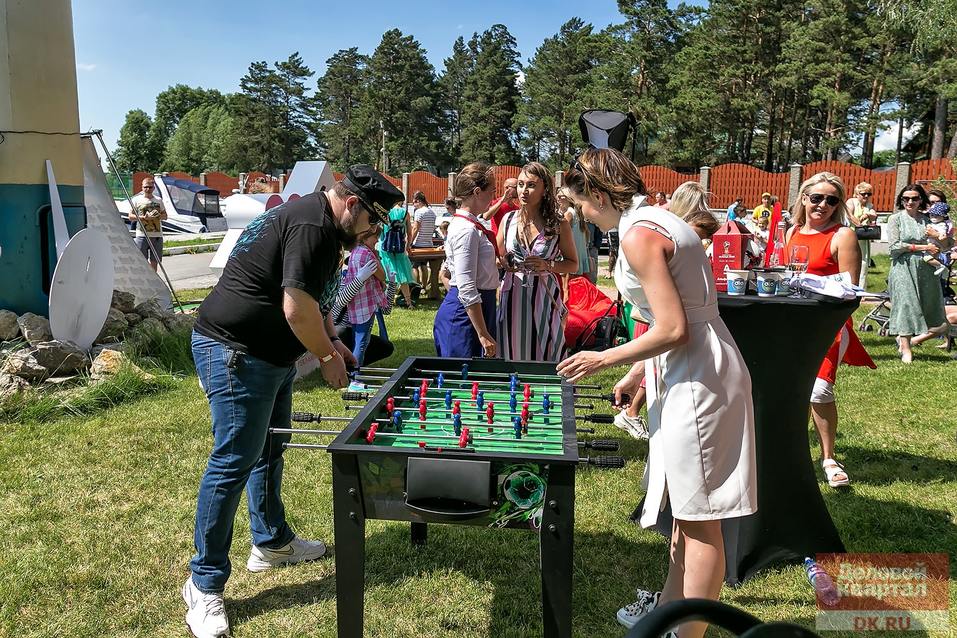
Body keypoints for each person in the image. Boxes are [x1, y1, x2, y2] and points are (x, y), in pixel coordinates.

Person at [185, 165, 400, 638]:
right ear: (352, 204)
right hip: (235, 350)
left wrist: (334, 341)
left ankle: (271, 542)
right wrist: (325, 355)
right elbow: (293, 308)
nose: (374, 232)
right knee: (233, 461)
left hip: (271, 354)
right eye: (373, 221)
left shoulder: (325, 227)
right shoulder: (311, 225)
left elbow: (315, 301)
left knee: (269, 449)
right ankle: (203, 584)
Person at [557, 149, 756, 638]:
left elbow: (672, 327)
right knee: (684, 511)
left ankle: (688, 634)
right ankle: (669, 613)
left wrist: (604, 358)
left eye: (580, 204)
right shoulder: (654, 218)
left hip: (698, 379)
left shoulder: (639, 234)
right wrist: (639, 375)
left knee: (701, 518)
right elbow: (667, 319)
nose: (580, 214)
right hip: (690, 368)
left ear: (600, 195)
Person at [613, 181, 720, 441]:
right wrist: (630, 371)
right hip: (667, 334)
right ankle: (634, 414)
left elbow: (672, 331)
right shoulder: (655, 235)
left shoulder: (664, 235)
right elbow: (668, 331)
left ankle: (636, 414)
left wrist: (605, 361)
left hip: (689, 356)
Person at [785, 172, 873, 489]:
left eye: (832, 199)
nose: (823, 204)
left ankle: (829, 457)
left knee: (819, 389)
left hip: (829, 326)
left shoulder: (843, 236)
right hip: (791, 324)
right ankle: (789, 454)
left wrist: (816, 287)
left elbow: (851, 291)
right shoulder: (791, 232)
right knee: (789, 391)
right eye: (817, 197)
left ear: (838, 204)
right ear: (804, 198)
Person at [497, 162, 578, 361]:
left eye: (531, 185)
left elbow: (573, 263)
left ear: (545, 190)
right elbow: (498, 257)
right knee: (511, 349)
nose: (524, 191)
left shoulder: (559, 223)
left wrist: (547, 265)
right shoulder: (508, 220)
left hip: (544, 295)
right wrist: (503, 262)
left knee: (547, 349)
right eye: (521, 184)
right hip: (513, 295)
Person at [434, 163, 499, 358]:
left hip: (475, 309)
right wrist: (483, 332)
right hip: (466, 316)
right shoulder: (466, 229)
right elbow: (466, 286)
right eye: (492, 191)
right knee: (463, 383)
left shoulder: (469, 224)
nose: (494, 197)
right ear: (478, 192)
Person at [887, 184, 948, 362]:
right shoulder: (895, 219)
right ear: (901, 200)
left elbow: (944, 247)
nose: (910, 202)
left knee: (929, 305)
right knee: (906, 304)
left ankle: (913, 340)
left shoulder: (928, 220)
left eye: (914, 198)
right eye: (906, 198)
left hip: (925, 268)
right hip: (902, 267)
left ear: (921, 200)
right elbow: (894, 247)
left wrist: (938, 240)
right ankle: (906, 349)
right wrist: (923, 247)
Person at [378, 202, 416, 308]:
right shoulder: (405, 213)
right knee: (402, 274)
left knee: (385, 274)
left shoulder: (385, 212)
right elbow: (409, 233)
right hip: (399, 247)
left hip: (385, 247)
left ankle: (385, 301)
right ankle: (409, 302)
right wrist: (407, 246)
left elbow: (379, 229)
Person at [128, 177, 168, 272]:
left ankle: (154, 281)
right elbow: (130, 216)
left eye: (150, 187)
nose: (148, 189)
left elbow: (165, 216)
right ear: (142, 187)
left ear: (154, 188)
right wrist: (143, 218)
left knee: (155, 261)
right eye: (146, 187)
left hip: (157, 235)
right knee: (142, 261)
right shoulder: (136, 200)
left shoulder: (158, 200)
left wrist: (157, 216)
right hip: (142, 235)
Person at [845, 181, 878, 288]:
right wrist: (860, 225)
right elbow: (849, 215)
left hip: (864, 238)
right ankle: (848, 287)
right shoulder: (851, 201)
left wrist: (868, 214)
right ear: (857, 194)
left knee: (863, 263)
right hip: (851, 236)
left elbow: (874, 216)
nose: (866, 196)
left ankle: (861, 291)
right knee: (849, 262)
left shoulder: (869, 205)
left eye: (869, 194)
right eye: (863, 194)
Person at [409, 191, 441, 300]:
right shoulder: (432, 212)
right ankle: (424, 287)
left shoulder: (419, 212)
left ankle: (415, 288)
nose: (413, 205)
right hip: (429, 244)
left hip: (418, 244)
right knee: (424, 267)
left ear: (418, 201)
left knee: (414, 267)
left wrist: (409, 242)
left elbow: (415, 228)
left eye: (414, 203)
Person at [560, 188, 591, 280]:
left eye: (560, 196)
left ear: (567, 198)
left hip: (570, 251)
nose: (558, 199)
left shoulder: (569, 213)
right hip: (579, 250)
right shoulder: (577, 212)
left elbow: (562, 232)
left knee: (566, 284)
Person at [921, 202, 954, 276]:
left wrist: (936, 234)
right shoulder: (932, 223)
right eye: (932, 215)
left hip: (936, 245)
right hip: (931, 244)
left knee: (926, 258)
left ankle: (940, 266)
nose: (933, 217)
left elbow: (943, 236)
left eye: (937, 216)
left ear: (943, 217)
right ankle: (940, 269)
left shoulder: (942, 225)